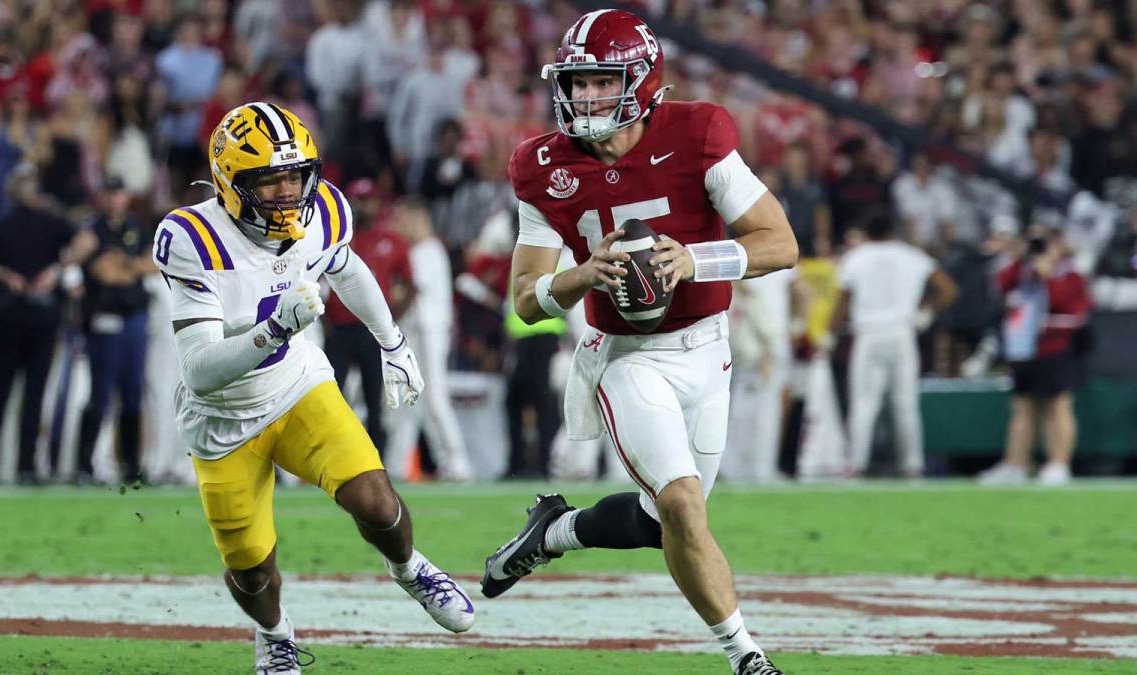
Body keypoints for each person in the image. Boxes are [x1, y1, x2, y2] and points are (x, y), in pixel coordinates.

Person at [481, 11, 797, 675]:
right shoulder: (542, 166)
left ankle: (554, 531)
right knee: (682, 503)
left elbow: (780, 243)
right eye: (577, 82)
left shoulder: (699, 132)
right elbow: (526, 298)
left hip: (709, 348)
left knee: (667, 523)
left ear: (643, 82)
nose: (586, 97)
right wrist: (581, 274)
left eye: (601, 82)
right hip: (626, 356)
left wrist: (692, 260)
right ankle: (747, 655)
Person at [151, 102, 474, 674]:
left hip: (297, 383)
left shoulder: (321, 209)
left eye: (295, 175)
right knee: (250, 565)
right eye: (269, 179)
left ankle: (409, 568)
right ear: (231, 184)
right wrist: (272, 328)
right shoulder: (193, 237)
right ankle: (274, 634)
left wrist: (393, 344)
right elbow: (199, 369)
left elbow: (345, 266)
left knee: (374, 496)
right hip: (222, 417)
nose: (287, 190)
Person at [0, 164, 96, 484]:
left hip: (15, 313)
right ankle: (23, 466)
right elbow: (87, 241)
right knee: (31, 393)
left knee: (2, 392)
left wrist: (1, 273)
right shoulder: (49, 222)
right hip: (38, 314)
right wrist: (56, 270)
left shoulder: (4, 222)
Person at [829, 211, 958, 478]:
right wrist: (926, 314)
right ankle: (912, 466)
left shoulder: (856, 257)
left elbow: (842, 303)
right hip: (902, 333)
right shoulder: (911, 255)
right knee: (905, 404)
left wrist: (830, 333)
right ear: (893, 231)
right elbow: (948, 289)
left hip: (869, 334)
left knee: (864, 404)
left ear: (867, 233)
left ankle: (856, 465)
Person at [978, 226, 1091, 486]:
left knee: (1057, 405)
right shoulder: (1023, 270)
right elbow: (1002, 285)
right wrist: (1020, 258)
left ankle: (1059, 464)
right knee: (1022, 407)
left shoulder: (1071, 271)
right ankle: (1015, 464)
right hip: (1023, 346)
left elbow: (1072, 305)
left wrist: (1048, 273)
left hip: (1056, 346)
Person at [382, 198, 473, 481]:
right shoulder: (421, 250)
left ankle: (457, 463)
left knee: (433, 396)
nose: (399, 225)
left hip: (431, 330)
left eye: (404, 219)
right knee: (412, 398)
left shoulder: (428, 250)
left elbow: (409, 290)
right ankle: (397, 465)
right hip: (418, 331)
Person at [75, 177, 157, 485]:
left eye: (119, 192)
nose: (115, 199)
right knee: (100, 393)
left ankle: (132, 465)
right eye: (110, 192)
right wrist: (131, 265)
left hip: (134, 318)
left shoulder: (135, 226)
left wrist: (125, 264)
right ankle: (84, 465)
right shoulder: (92, 229)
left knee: (133, 394)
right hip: (103, 319)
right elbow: (102, 272)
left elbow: (153, 264)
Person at [322, 178, 415, 452]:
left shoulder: (391, 241)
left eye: (369, 200)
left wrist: (390, 318)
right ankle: (336, 456)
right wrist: (325, 318)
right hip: (339, 330)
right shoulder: (337, 239)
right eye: (359, 200)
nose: (364, 206)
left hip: (371, 331)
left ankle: (376, 462)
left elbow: (410, 285)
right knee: (333, 396)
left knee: (375, 398)